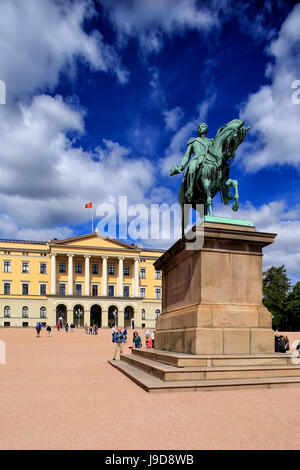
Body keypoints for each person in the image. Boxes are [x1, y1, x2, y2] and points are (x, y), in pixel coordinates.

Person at [170, 122, 212, 202]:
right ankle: (190, 190)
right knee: (192, 168)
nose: (200, 128)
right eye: (199, 127)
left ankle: (225, 193)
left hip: (208, 160)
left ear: (206, 129)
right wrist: (181, 166)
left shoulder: (210, 142)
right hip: (196, 159)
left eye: (202, 126)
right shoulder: (193, 141)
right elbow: (187, 156)